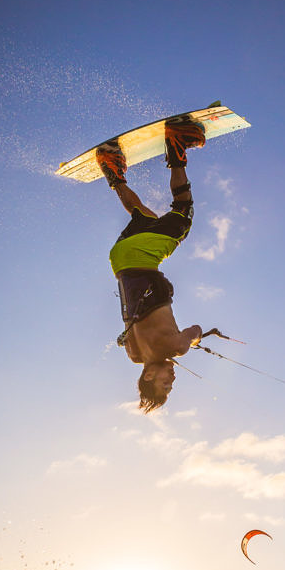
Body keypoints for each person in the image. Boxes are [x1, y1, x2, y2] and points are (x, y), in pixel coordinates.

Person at [96, 117, 206, 412]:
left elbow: (194, 329)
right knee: (146, 218)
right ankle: (112, 167)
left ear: (148, 376)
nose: (172, 378)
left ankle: (177, 142)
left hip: (141, 257)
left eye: (164, 383)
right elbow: (134, 336)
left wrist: (193, 341)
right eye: (172, 384)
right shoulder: (134, 355)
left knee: (182, 217)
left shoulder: (175, 348)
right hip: (120, 259)